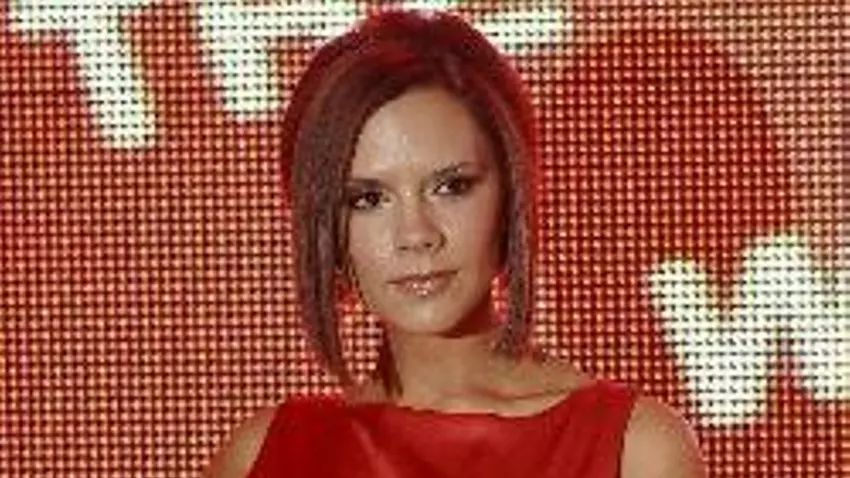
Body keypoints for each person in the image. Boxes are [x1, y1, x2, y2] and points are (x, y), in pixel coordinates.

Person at [205, 9, 705, 478]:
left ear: (512, 191)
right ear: (321, 222)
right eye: (368, 199)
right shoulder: (266, 456)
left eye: (452, 187)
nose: (416, 235)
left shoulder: (635, 450)